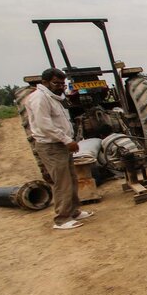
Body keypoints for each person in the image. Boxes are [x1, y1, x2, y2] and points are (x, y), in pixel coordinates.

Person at [25, 68, 94, 230]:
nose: (60, 87)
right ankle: (62, 219)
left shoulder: (53, 98)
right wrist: (66, 139)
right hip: (51, 146)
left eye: (62, 84)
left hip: (61, 144)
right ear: (44, 82)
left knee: (70, 178)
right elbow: (44, 125)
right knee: (62, 182)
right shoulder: (39, 99)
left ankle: (74, 211)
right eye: (56, 83)